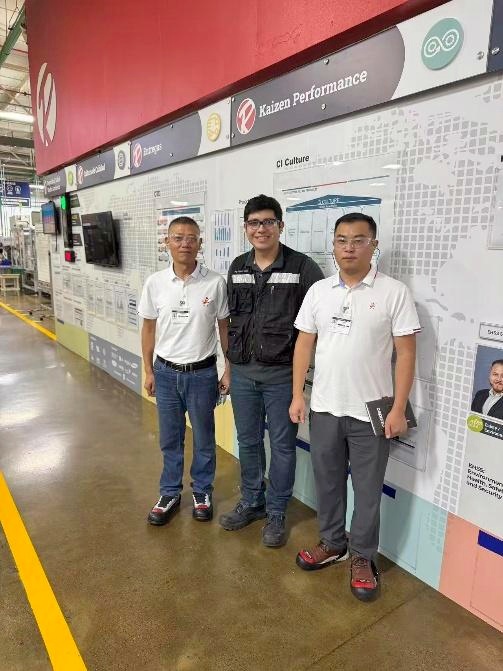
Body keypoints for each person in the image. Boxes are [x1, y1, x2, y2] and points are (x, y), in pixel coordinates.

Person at [289, 212, 420, 601]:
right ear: (333, 245)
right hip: (325, 408)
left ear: (373, 246)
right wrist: (297, 395)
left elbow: (406, 353)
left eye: (358, 240)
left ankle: (363, 556)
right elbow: (303, 345)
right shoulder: (319, 291)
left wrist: (398, 408)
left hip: (371, 414)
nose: (349, 247)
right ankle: (332, 543)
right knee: (328, 483)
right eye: (342, 240)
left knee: (367, 491)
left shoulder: (394, 292)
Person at [218, 194, 324, 547]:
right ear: (245, 228)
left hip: (281, 377)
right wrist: (229, 369)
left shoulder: (303, 267)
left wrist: (299, 388)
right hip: (243, 374)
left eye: (268, 222)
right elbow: (233, 324)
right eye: (254, 223)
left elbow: (314, 328)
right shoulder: (238, 266)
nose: (260, 229)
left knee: (282, 446)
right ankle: (252, 501)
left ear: (280, 225)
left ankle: (277, 511)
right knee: (248, 441)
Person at [139, 216, 230, 525]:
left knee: (204, 438)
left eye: (191, 238)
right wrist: (148, 371)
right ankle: (169, 492)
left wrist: (228, 369)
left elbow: (224, 329)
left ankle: (202, 491)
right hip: (165, 373)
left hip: (202, 374)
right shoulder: (155, 283)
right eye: (178, 238)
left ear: (200, 243)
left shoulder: (215, 282)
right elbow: (148, 329)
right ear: (167, 242)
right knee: (170, 438)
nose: (185, 244)